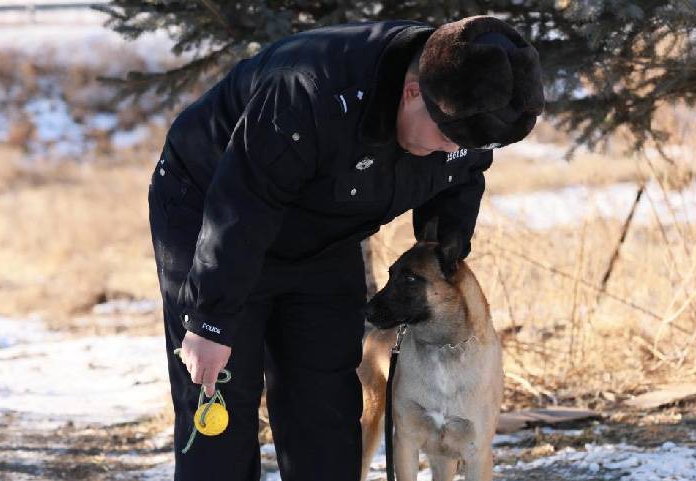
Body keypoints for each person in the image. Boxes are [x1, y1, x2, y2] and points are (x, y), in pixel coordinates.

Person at [147, 14, 543, 481]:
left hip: (323, 233)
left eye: (467, 144)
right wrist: (210, 321)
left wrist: (442, 247)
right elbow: (242, 206)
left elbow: (462, 177)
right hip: (214, 214)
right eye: (446, 138)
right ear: (413, 92)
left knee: (326, 404)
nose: (450, 151)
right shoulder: (308, 93)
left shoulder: (463, 111)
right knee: (221, 404)